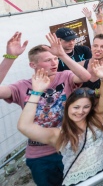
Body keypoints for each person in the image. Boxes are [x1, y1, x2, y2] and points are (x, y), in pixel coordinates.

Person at [0, 33, 92, 186]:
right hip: (40, 155)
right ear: (33, 65)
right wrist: (9, 57)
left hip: (69, 146)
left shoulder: (65, 76)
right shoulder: (21, 86)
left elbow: (85, 76)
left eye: (55, 59)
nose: (54, 63)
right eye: (48, 60)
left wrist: (62, 54)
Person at [17, 61, 103, 186]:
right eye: (76, 107)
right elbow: (24, 126)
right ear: (67, 107)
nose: (81, 111)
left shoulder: (97, 120)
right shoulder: (58, 134)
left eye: (86, 107)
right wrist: (36, 93)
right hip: (81, 182)